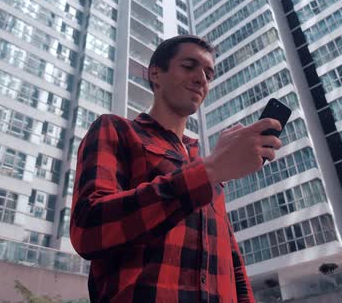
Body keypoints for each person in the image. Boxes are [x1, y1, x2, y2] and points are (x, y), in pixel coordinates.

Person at [70, 35, 283, 302]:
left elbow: (232, 263)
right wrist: (208, 171)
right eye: (189, 66)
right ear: (156, 74)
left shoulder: (207, 167)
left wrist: (208, 171)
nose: (202, 79)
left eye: (208, 73)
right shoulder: (116, 130)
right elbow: (88, 228)